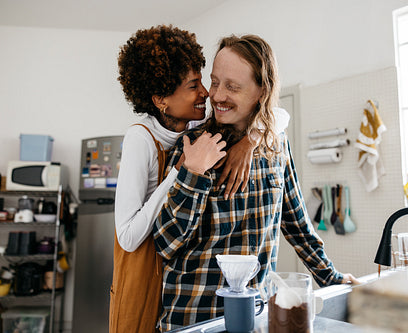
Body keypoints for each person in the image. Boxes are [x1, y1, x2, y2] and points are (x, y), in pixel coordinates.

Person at [153, 34, 359, 331]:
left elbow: (298, 226)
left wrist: (332, 278)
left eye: (232, 87)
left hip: (256, 319)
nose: (217, 96)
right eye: (215, 82)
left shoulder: (276, 146)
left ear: (262, 90)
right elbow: (165, 243)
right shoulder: (193, 147)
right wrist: (193, 175)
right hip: (192, 321)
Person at [111, 26, 265, 332]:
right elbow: (127, 237)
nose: (206, 93)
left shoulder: (189, 130)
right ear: (160, 100)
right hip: (144, 275)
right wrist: (183, 170)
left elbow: (277, 113)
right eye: (194, 85)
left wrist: (253, 139)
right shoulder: (140, 139)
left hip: (168, 281)